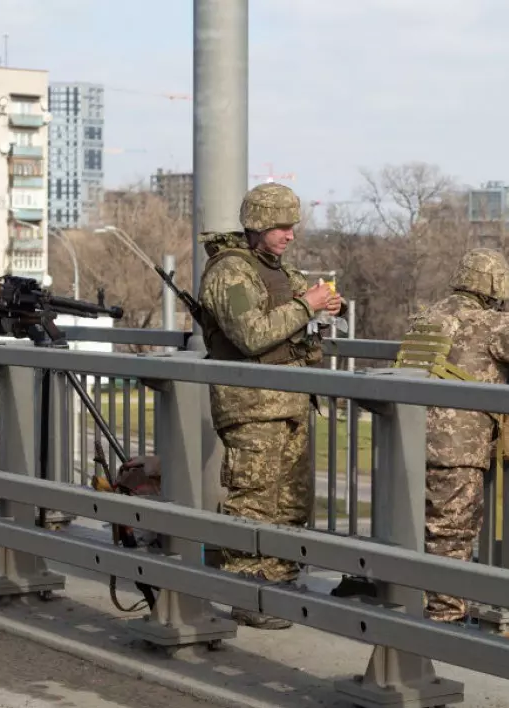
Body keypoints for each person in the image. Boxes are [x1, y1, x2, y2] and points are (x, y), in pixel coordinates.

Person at [197, 182, 343, 630]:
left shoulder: (280, 270)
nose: (289, 235)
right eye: (281, 227)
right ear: (257, 225)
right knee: (254, 501)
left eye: (292, 226)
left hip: (291, 404)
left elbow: (301, 309)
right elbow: (251, 335)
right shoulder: (230, 273)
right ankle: (247, 593)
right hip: (252, 407)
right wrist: (307, 305)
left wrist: (325, 306)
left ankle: (279, 584)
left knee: (292, 502)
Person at [402, 248, 509, 624]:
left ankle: (407, 603)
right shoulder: (490, 324)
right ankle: (444, 618)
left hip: (408, 437)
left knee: (413, 527)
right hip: (455, 448)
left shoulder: (425, 318)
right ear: (496, 284)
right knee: (451, 533)